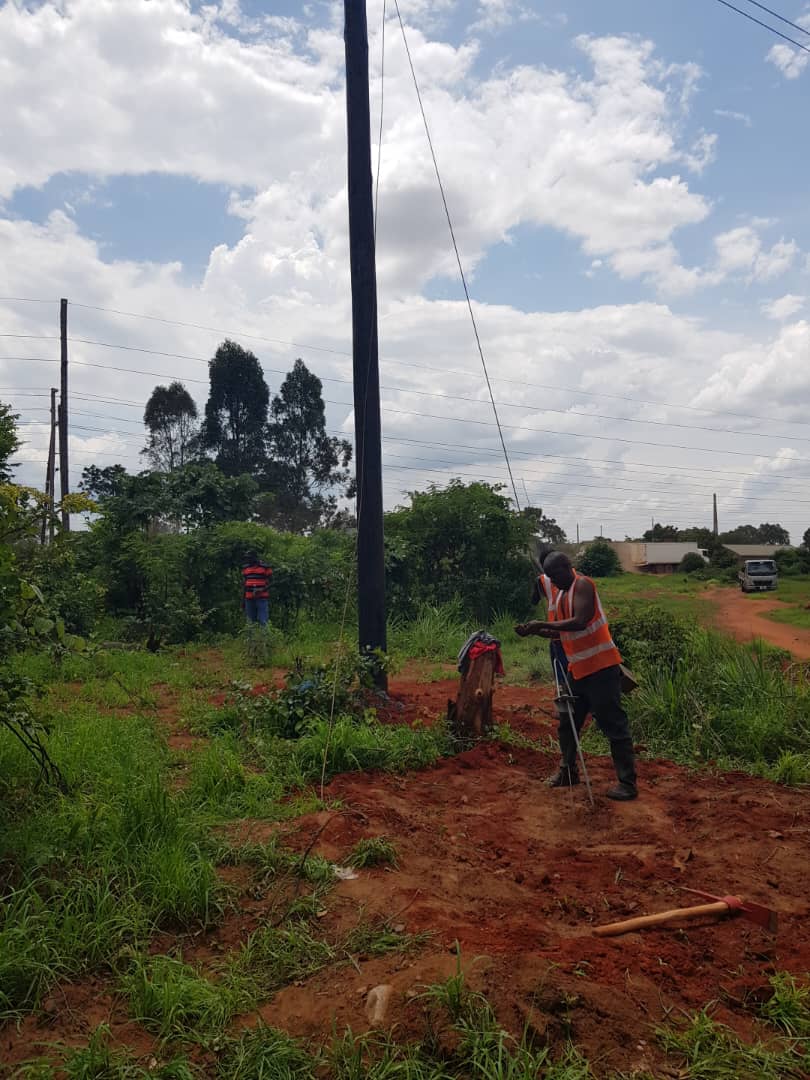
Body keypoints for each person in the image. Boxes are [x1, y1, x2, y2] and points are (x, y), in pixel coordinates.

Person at [515, 552, 637, 801]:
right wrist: (535, 631)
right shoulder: (560, 593)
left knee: (613, 725)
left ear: (567, 567)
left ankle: (627, 783)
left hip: (601, 669)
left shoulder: (583, 584)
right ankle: (568, 772)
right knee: (567, 722)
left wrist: (540, 624)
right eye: (549, 578)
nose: (553, 582)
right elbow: (563, 634)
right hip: (578, 671)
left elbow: (580, 621)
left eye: (555, 575)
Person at [530, 545, 568, 677]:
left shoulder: (540, 580)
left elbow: (534, 601)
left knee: (559, 662)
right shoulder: (571, 573)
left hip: (555, 626)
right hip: (570, 628)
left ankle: (563, 688)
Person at [241, 550, 272, 627]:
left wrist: (262, 590)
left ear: (255, 558)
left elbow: (272, 582)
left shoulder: (265, 567)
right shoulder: (245, 568)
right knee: (250, 621)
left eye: (250, 558)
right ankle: (251, 638)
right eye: (247, 558)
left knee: (263, 620)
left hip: (261, 598)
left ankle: (264, 638)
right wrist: (243, 600)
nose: (248, 560)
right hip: (249, 598)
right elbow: (245, 584)